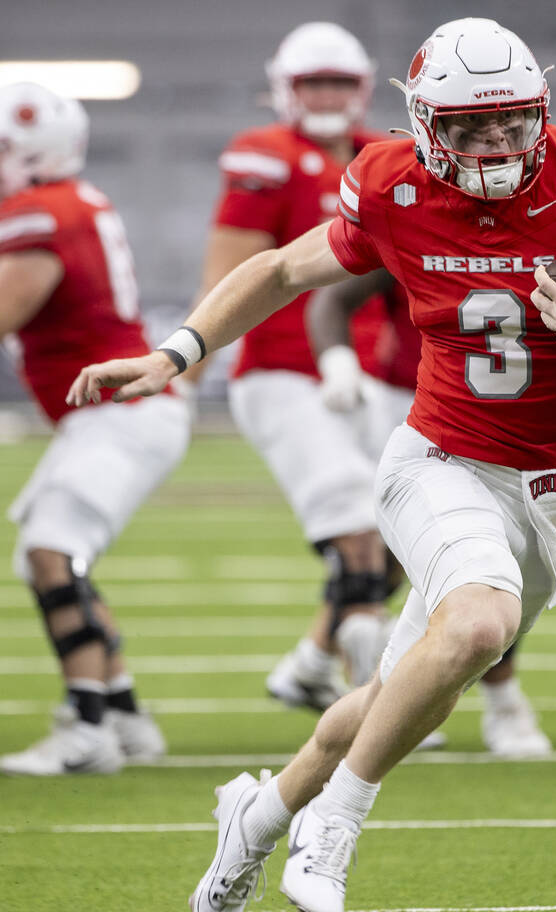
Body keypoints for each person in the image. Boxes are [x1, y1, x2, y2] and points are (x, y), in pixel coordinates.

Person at [67, 17, 556, 912]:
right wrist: (175, 353)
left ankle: (254, 821)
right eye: (471, 128)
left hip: (550, 490)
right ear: (426, 127)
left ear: (541, 111)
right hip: (440, 459)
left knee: (397, 695)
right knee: (478, 623)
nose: (497, 146)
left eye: (512, 122)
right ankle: (333, 826)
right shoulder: (391, 185)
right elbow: (278, 270)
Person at [196, 21, 395, 712]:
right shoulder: (266, 156)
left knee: (404, 524)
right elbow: (231, 275)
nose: (329, 94)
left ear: (364, 86)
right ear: (287, 88)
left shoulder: (387, 158)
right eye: (316, 81)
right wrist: (186, 367)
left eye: (340, 80)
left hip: (371, 374)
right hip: (281, 371)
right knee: (354, 522)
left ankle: (311, 662)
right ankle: (378, 698)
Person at [0, 82, 187, 776]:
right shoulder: (69, 203)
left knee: (52, 553)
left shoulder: (40, 213)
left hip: (119, 414)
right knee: (50, 557)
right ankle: (125, 711)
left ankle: (86, 729)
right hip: (116, 415)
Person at [305, 270, 552, 756]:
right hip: (424, 413)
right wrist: (338, 365)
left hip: (527, 418)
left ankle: (325, 665)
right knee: (452, 561)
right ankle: (487, 701)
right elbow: (330, 296)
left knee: (503, 562)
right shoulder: (411, 206)